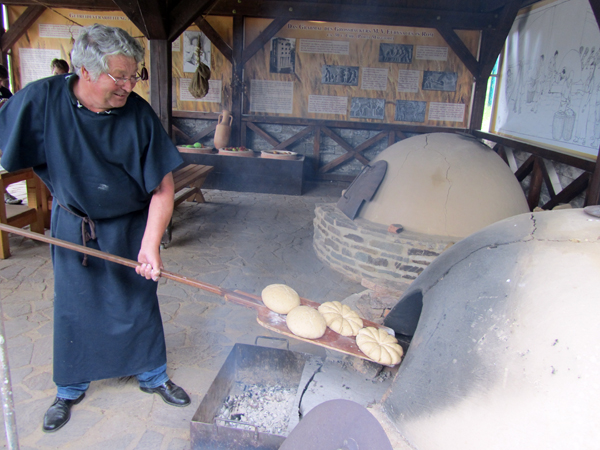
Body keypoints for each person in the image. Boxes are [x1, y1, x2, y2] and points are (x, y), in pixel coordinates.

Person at [0, 24, 190, 433]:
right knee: (75, 304)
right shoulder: (42, 100)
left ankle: (152, 374)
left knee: (137, 299)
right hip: (74, 224)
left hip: (129, 224)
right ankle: (69, 387)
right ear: (84, 71)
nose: (127, 85)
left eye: (133, 75)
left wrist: (151, 245)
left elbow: (162, 186)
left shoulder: (137, 114)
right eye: (118, 76)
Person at [0, 63, 22, 205]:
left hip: (3, 130)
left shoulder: (5, 92)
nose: (1, 83)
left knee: (6, 165)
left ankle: (4, 192)